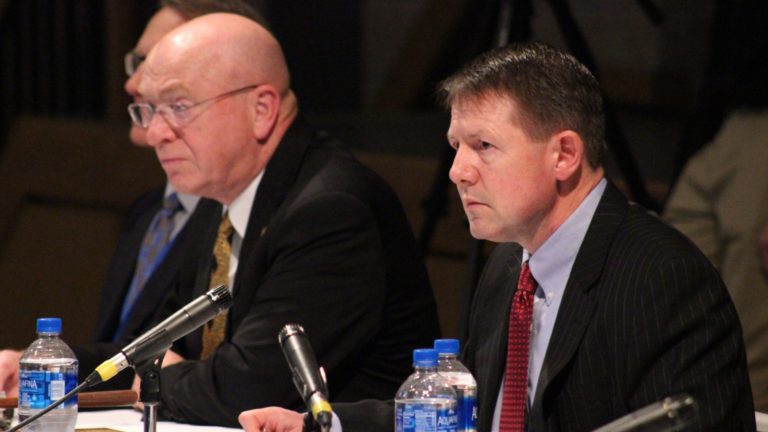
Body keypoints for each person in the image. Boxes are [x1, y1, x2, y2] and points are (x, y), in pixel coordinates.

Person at [238, 42, 755, 431]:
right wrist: (324, 423)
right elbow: (475, 410)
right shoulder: (510, 265)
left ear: (564, 154)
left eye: (483, 146)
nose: (457, 171)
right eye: (455, 146)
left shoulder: (662, 278)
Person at [126, 12, 439, 426]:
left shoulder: (331, 211)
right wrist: (55, 366)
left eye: (179, 107)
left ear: (262, 109)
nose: (156, 134)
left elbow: (247, 389)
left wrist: (153, 380)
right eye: (150, 111)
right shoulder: (219, 195)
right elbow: (155, 342)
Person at [0, 0, 268, 394]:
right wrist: (46, 367)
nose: (134, 85)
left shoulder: (245, 209)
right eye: (138, 62)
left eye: (162, 66)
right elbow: (133, 353)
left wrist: (170, 377)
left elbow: (238, 374)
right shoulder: (149, 207)